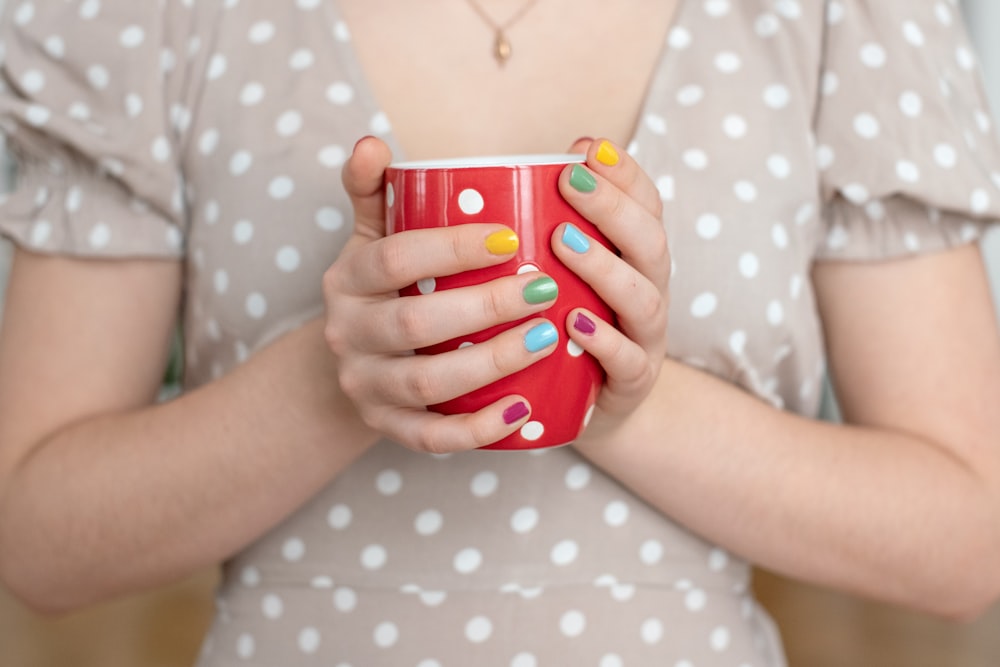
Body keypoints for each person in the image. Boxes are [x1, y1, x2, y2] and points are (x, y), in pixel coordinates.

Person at [0, 0, 998, 664]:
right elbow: (35, 539)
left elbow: (963, 538)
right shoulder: (154, 15)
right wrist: (342, 372)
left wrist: (619, 397)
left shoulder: (834, 15)